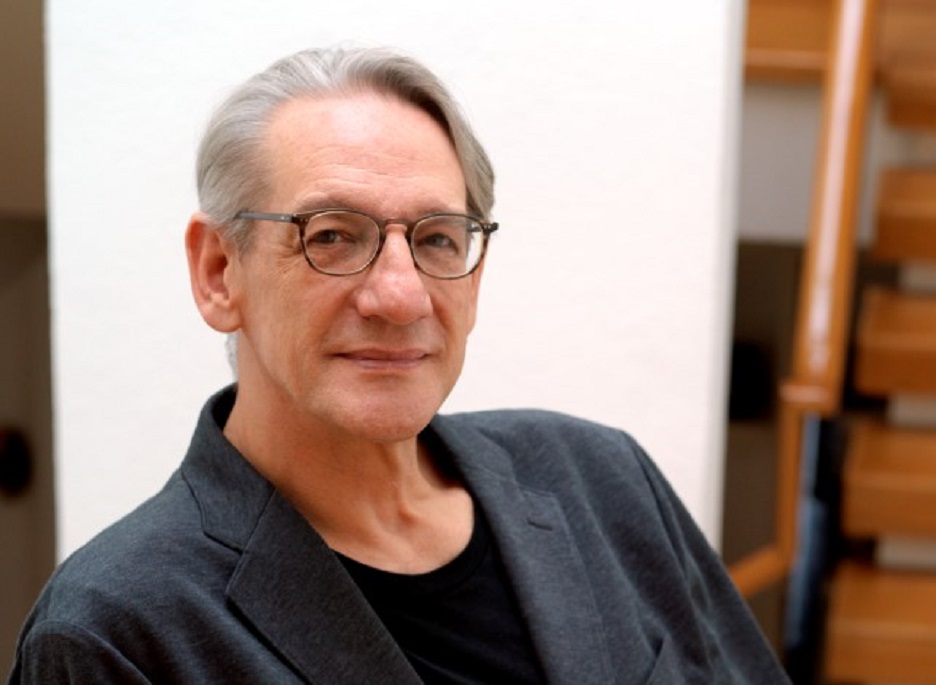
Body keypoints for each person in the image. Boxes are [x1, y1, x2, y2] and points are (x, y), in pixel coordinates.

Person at [8, 46, 788, 684]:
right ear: (219, 272)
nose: (400, 295)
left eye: (438, 238)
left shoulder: (603, 481)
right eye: (332, 235)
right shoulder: (115, 632)